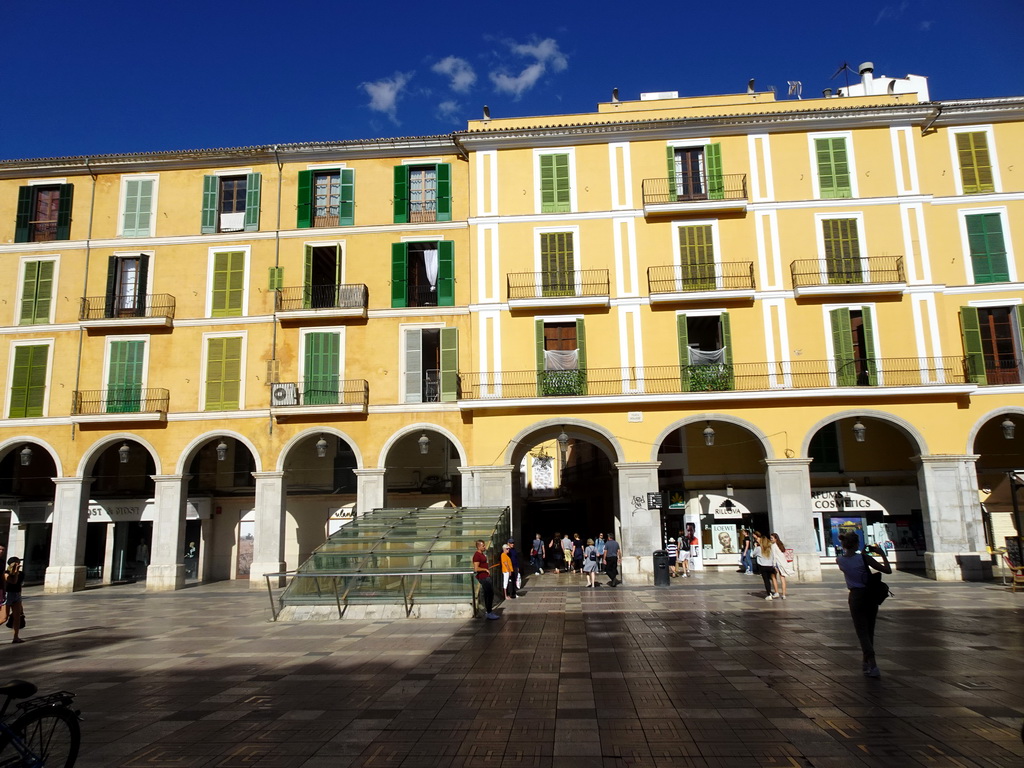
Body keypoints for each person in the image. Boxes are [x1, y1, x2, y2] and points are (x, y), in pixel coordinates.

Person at [836, 531, 891, 677]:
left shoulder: (840, 560)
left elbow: (850, 565)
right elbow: (887, 570)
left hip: (855, 595)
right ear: (856, 544)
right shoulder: (863, 557)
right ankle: (869, 663)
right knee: (869, 629)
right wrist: (882, 554)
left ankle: (869, 663)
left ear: (843, 544)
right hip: (870, 594)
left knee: (861, 631)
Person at [473, 540, 499, 620]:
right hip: (483, 577)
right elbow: (476, 568)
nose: (485, 547)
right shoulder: (477, 555)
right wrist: (485, 569)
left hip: (486, 576)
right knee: (489, 593)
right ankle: (489, 612)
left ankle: (489, 611)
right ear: (479, 546)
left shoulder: (482, 554)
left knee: (490, 593)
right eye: (483, 546)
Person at [4, 556, 25, 643]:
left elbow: (18, 584)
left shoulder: (21, 574)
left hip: (16, 595)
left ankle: (16, 637)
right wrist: (14, 572)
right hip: (7, 595)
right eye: (16, 563)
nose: (18, 564)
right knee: (4, 618)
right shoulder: (5, 573)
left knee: (17, 617)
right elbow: (13, 581)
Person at [770, 533, 792, 599]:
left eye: (772, 538)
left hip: (777, 563)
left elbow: (774, 556)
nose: (771, 539)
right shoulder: (780, 545)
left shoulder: (773, 546)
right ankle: (784, 594)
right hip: (783, 563)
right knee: (783, 578)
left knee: (773, 577)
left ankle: (776, 592)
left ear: (775, 539)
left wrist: (773, 565)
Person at [755, 533, 777, 599]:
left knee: (766, 580)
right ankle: (774, 592)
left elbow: (752, 554)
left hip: (763, 566)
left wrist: (755, 547)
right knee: (771, 579)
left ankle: (769, 594)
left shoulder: (759, 548)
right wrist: (774, 565)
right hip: (770, 566)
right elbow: (773, 557)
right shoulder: (770, 548)